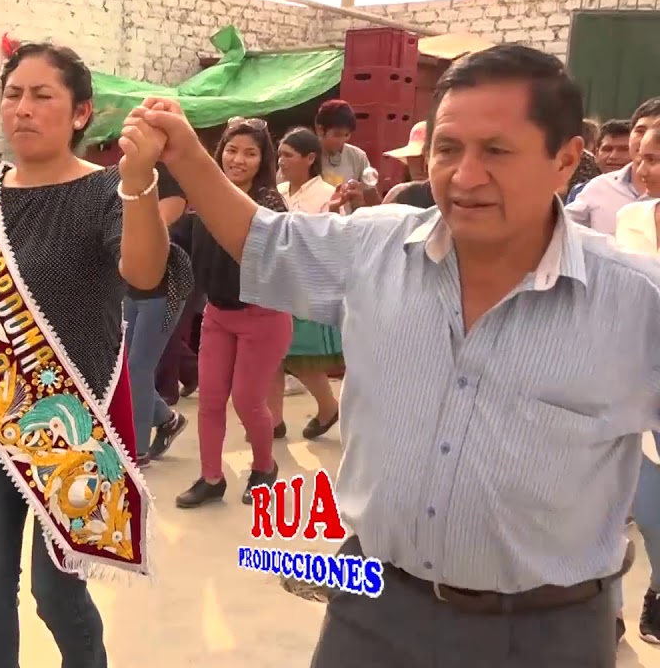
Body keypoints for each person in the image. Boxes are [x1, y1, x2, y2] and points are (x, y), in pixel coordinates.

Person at [135, 44, 660, 667]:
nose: (464, 176)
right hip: (374, 613)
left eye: (496, 151)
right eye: (447, 149)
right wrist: (188, 155)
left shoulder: (635, 304)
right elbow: (264, 240)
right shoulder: (376, 249)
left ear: (564, 160)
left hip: (545, 634)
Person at [0, 42, 176, 666]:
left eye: (43, 96)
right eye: (14, 94)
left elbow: (145, 274)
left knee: (55, 588)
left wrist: (139, 182)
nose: (23, 109)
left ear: (81, 113)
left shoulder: (101, 193)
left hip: (71, 422)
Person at [176, 117, 292, 510]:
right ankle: (211, 478)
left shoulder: (271, 204)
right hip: (218, 314)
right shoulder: (203, 195)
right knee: (209, 401)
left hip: (263, 317)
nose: (238, 159)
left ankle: (264, 467)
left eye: (250, 153)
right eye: (231, 149)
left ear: (263, 161)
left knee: (246, 401)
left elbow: (280, 259)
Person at [611, 124, 660, 643]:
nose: (643, 170)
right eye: (642, 157)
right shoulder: (630, 217)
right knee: (644, 509)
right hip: (633, 379)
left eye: (657, 159)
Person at [272, 128, 342, 439]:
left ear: (310, 158)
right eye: (280, 154)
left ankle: (328, 407)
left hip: (309, 283)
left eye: (288, 155)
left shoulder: (327, 194)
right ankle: (273, 421)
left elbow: (336, 240)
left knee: (299, 355)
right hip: (275, 280)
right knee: (270, 353)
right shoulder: (279, 191)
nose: (281, 161)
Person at [124, 162, 192, 466]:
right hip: (129, 288)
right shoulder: (126, 176)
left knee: (138, 368)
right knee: (123, 368)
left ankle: (135, 448)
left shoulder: (171, 178)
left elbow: (159, 227)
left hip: (165, 290)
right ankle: (167, 420)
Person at [565, 97, 660, 233]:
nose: (646, 138)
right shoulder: (598, 187)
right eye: (641, 130)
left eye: (656, 132)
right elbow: (563, 232)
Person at [315, 99, 374, 211]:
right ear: (320, 130)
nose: (342, 140)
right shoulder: (308, 155)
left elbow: (372, 201)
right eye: (337, 135)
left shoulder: (358, 157)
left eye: (346, 135)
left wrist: (360, 198)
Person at [382, 121, 435, 209]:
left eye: (423, 157)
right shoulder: (398, 193)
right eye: (414, 157)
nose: (420, 164)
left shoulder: (398, 192)